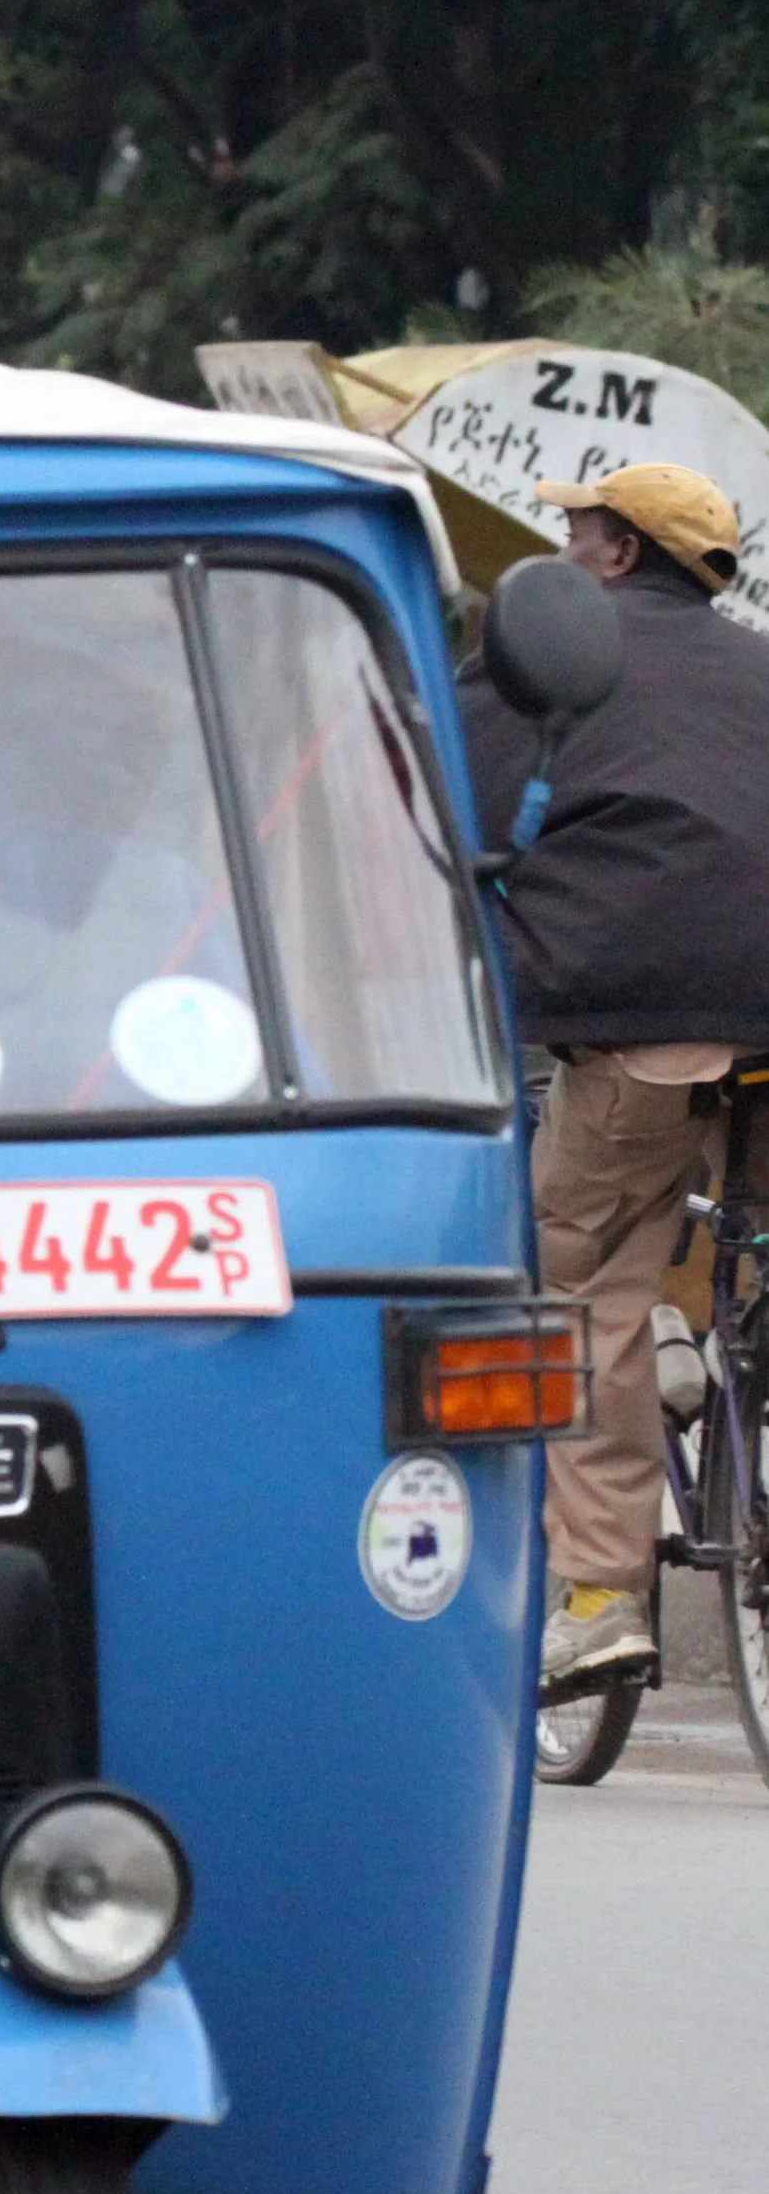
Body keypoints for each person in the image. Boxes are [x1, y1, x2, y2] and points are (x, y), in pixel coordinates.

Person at [460, 461, 769, 1695]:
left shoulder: (544, 660)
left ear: (620, 552)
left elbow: (445, 812)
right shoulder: (758, 666)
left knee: (579, 1274)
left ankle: (596, 1594)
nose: (561, 544)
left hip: (645, 1017)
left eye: (574, 526)